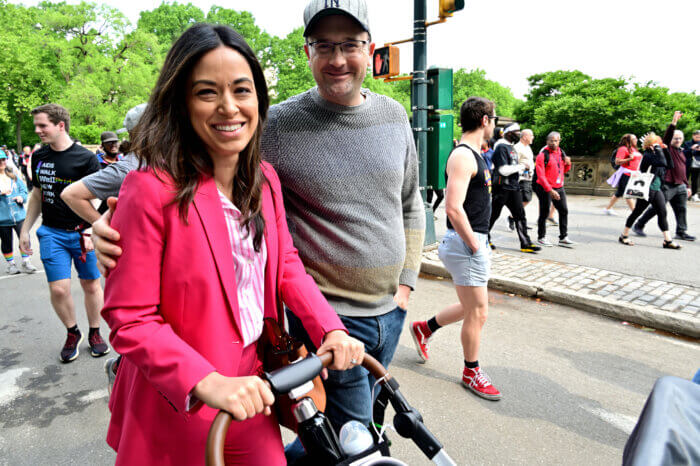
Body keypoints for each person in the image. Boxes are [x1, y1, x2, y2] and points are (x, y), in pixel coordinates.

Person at [91, 1, 425, 455]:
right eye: (207, 92)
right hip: (182, 397)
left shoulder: (263, 178)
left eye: (241, 90)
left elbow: (287, 265)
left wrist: (330, 328)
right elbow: (131, 318)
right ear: (181, 101)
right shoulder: (151, 191)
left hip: (257, 385)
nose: (229, 107)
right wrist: (203, 380)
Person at [410, 97, 501, 400]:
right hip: (466, 242)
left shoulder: (476, 153)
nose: (495, 124)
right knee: (479, 311)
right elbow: (453, 207)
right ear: (485, 120)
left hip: (470, 241)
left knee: (470, 306)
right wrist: (475, 244)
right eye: (494, 118)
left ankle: (425, 327)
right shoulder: (463, 156)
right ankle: (471, 371)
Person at [61, 103, 146, 392]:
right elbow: (71, 194)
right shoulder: (128, 168)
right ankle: (121, 373)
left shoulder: (174, 161)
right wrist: (101, 225)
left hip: (158, 258)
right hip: (132, 261)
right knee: (140, 330)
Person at [18, 103, 109, 363]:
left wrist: (93, 229)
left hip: (82, 234)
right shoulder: (40, 156)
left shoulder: (86, 158)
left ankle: (94, 332)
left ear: (60, 125)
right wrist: (25, 229)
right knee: (59, 289)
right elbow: (37, 194)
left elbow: (98, 199)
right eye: (36, 126)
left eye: (42, 125)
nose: (37, 130)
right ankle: (72, 332)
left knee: (91, 285)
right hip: (51, 232)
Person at [632, 112, 696, 241]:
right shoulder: (667, 148)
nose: (677, 140)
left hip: (681, 185)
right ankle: (639, 224)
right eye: (675, 138)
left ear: (683, 139)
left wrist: (687, 185)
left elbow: (684, 170)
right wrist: (674, 122)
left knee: (682, 209)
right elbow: (667, 136)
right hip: (667, 184)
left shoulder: (682, 152)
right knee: (657, 208)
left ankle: (681, 232)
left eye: (679, 138)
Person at [618, 132, 681, 249]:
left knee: (662, 212)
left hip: (656, 188)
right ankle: (624, 235)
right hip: (647, 188)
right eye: (658, 142)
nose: (661, 143)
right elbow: (661, 162)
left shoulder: (657, 153)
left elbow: (670, 165)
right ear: (652, 144)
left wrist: (665, 150)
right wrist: (658, 148)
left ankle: (667, 240)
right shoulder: (648, 155)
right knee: (638, 212)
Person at [487, 123, 540, 253]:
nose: (519, 134)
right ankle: (483, 239)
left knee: (520, 215)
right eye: (516, 131)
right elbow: (503, 170)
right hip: (502, 188)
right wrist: (522, 166)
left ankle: (525, 243)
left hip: (513, 187)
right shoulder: (501, 147)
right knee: (493, 214)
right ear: (509, 133)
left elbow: (512, 168)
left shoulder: (511, 148)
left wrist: (522, 171)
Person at [533, 132, 575, 247]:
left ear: (559, 141)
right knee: (544, 212)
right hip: (544, 188)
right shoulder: (543, 155)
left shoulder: (562, 153)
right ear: (547, 141)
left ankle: (563, 237)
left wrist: (568, 164)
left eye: (556, 141)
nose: (553, 143)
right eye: (551, 140)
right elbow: (540, 176)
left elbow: (563, 170)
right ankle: (541, 237)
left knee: (564, 210)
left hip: (559, 186)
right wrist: (550, 190)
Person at [0, 153, 36, 274]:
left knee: (24, 238)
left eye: (3, 159)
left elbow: (24, 191)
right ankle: (11, 265)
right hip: (2, 218)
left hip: (19, 216)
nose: (2, 162)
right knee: (6, 242)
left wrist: (21, 197)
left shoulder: (13, 176)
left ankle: (26, 261)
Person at [604, 134, 641, 215]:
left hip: (634, 174)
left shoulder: (634, 149)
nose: (636, 140)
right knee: (628, 193)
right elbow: (617, 161)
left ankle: (608, 208)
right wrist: (629, 159)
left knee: (620, 192)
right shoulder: (623, 149)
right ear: (628, 140)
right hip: (626, 174)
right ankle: (635, 213)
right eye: (634, 138)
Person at [514, 128, 535, 209]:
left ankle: (514, 216)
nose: (533, 137)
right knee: (526, 198)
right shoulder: (517, 148)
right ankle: (514, 216)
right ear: (525, 137)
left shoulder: (527, 147)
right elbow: (514, 163)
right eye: (531, 135)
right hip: (522, 177)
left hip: (528, 177)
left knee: (525, 198)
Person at [684, 130, 700, 201]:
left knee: (695, 180)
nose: (698, 138)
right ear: (693, 136)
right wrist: (691, 148)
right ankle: (685, 194)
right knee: (685, 179)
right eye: (696, 136)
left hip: (697, 165)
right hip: (688, 164)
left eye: (699, 137)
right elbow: (684, 153)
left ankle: (694, 195)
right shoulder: (687, 143)